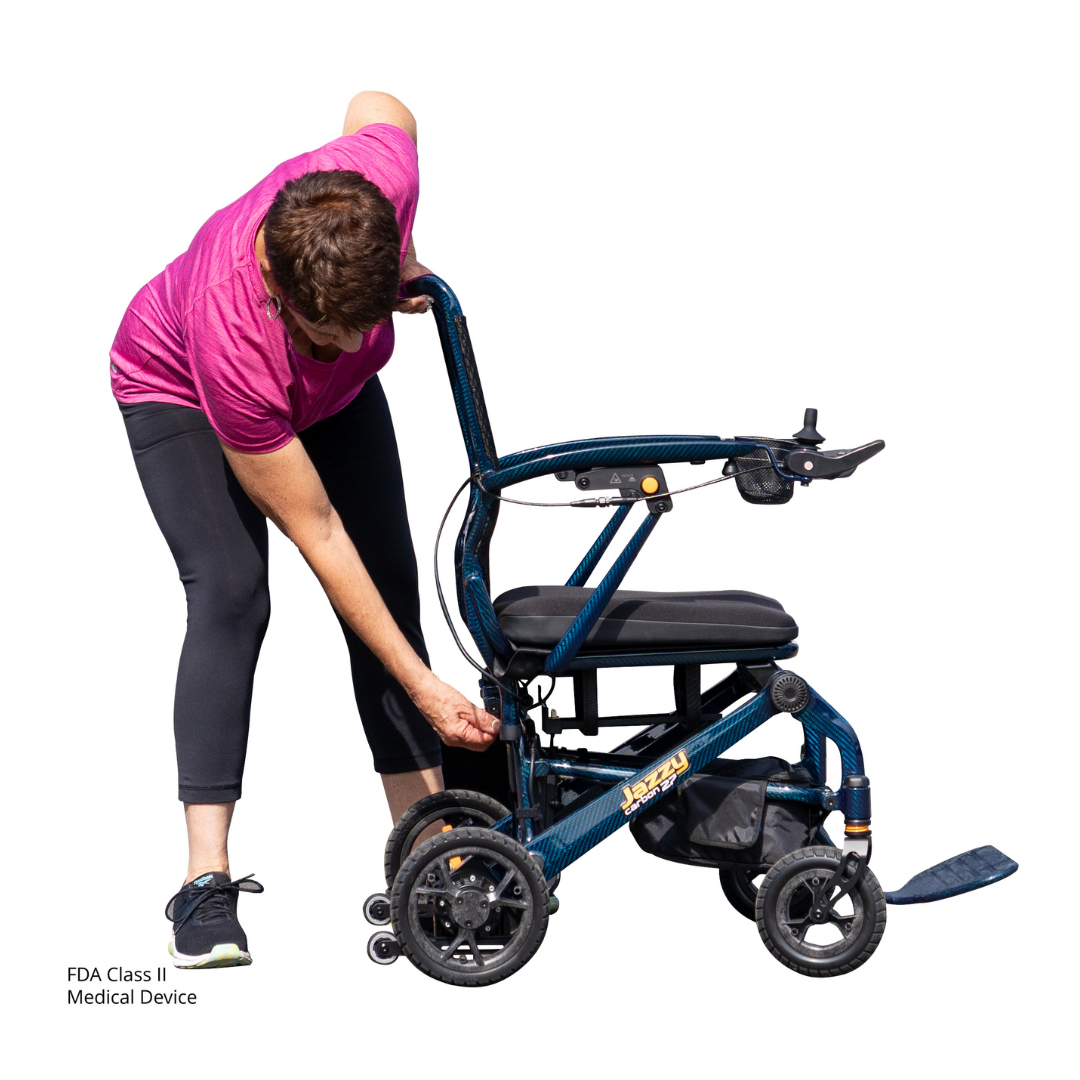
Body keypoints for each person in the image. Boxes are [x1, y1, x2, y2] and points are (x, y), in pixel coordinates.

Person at [112, 91, 498, 968]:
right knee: (233, 594)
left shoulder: (379, 178)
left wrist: (410, 254)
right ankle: (203, 881)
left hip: (323, 404)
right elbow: (318, 532)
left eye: (360, 328)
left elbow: (383, 105)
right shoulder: (232, 337)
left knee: (392, 593)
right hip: (174, 382)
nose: (347, 344)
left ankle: (430, 853)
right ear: (283, 295)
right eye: (327, 335)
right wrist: (429, 690)